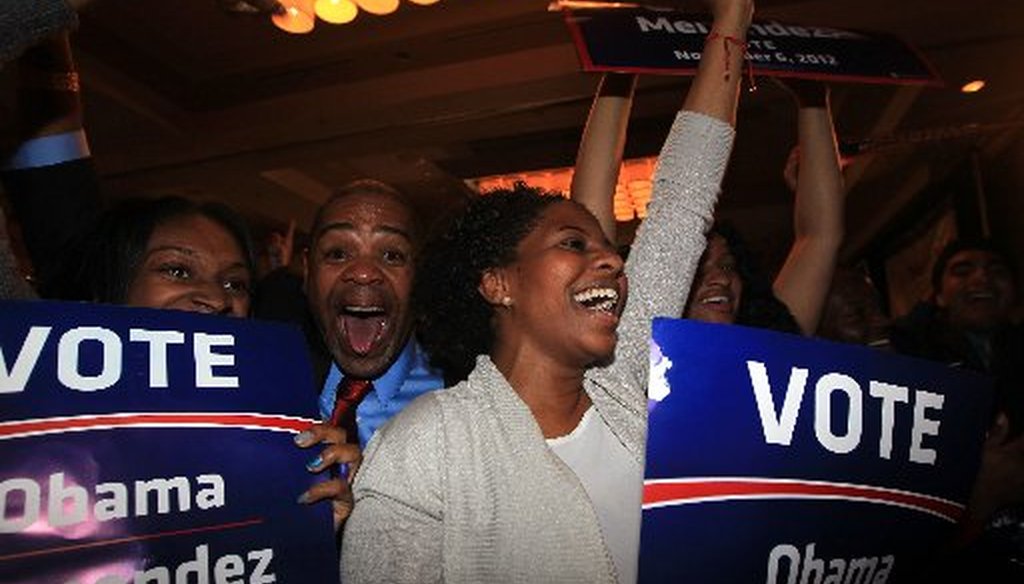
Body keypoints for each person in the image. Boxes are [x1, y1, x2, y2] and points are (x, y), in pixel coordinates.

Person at [340, 1, 751, 582]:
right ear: (498, 283)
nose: (611, 259)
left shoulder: (623, 393)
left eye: (607, 247)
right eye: (573, 244)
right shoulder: (428, 443)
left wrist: (734, 16)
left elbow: (685, 199)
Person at [572, 74, 845, 336]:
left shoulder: (767, 347)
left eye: (727, 266)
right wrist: (620, 75)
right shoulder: (626, 353)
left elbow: (820, 237)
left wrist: (813, 100)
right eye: (698, 269)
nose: (721, 280)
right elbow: (589, 216)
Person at [889, 238, 1024, 582]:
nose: (981, 278)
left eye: (996, 270)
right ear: (937, 295)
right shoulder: (907, 363)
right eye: (962, 270)